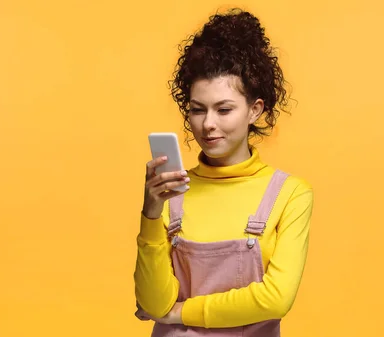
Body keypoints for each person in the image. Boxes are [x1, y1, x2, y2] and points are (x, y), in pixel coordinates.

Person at [133, 8, 314, 336]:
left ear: (254, 110)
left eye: (224, 109)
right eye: (197, 110)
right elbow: (153, 302)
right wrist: (150, 213)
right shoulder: (173, 191)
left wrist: (181, 314)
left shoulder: (289, 194)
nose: (208, 124)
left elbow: (276, 298)